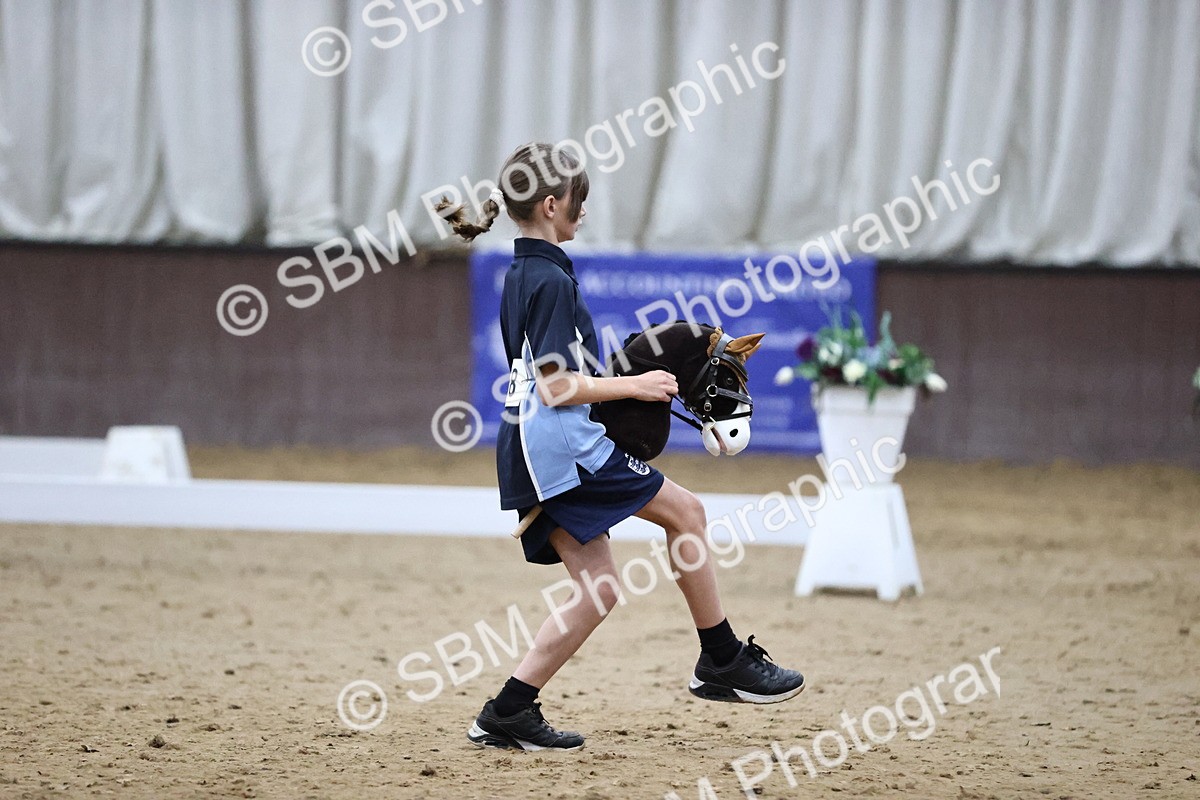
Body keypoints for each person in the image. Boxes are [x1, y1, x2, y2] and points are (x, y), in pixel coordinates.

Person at [438, 142, 805, 752]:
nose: (583, 213)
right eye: (578, 203)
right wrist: (637, 384)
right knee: (686, 512)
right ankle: (721, 658)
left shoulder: (524, 272)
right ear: (553, 205)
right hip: (561, 444)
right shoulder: (549, 279)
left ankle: (508, 710)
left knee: (600, 588)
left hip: (530, 445)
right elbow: (557, 387)